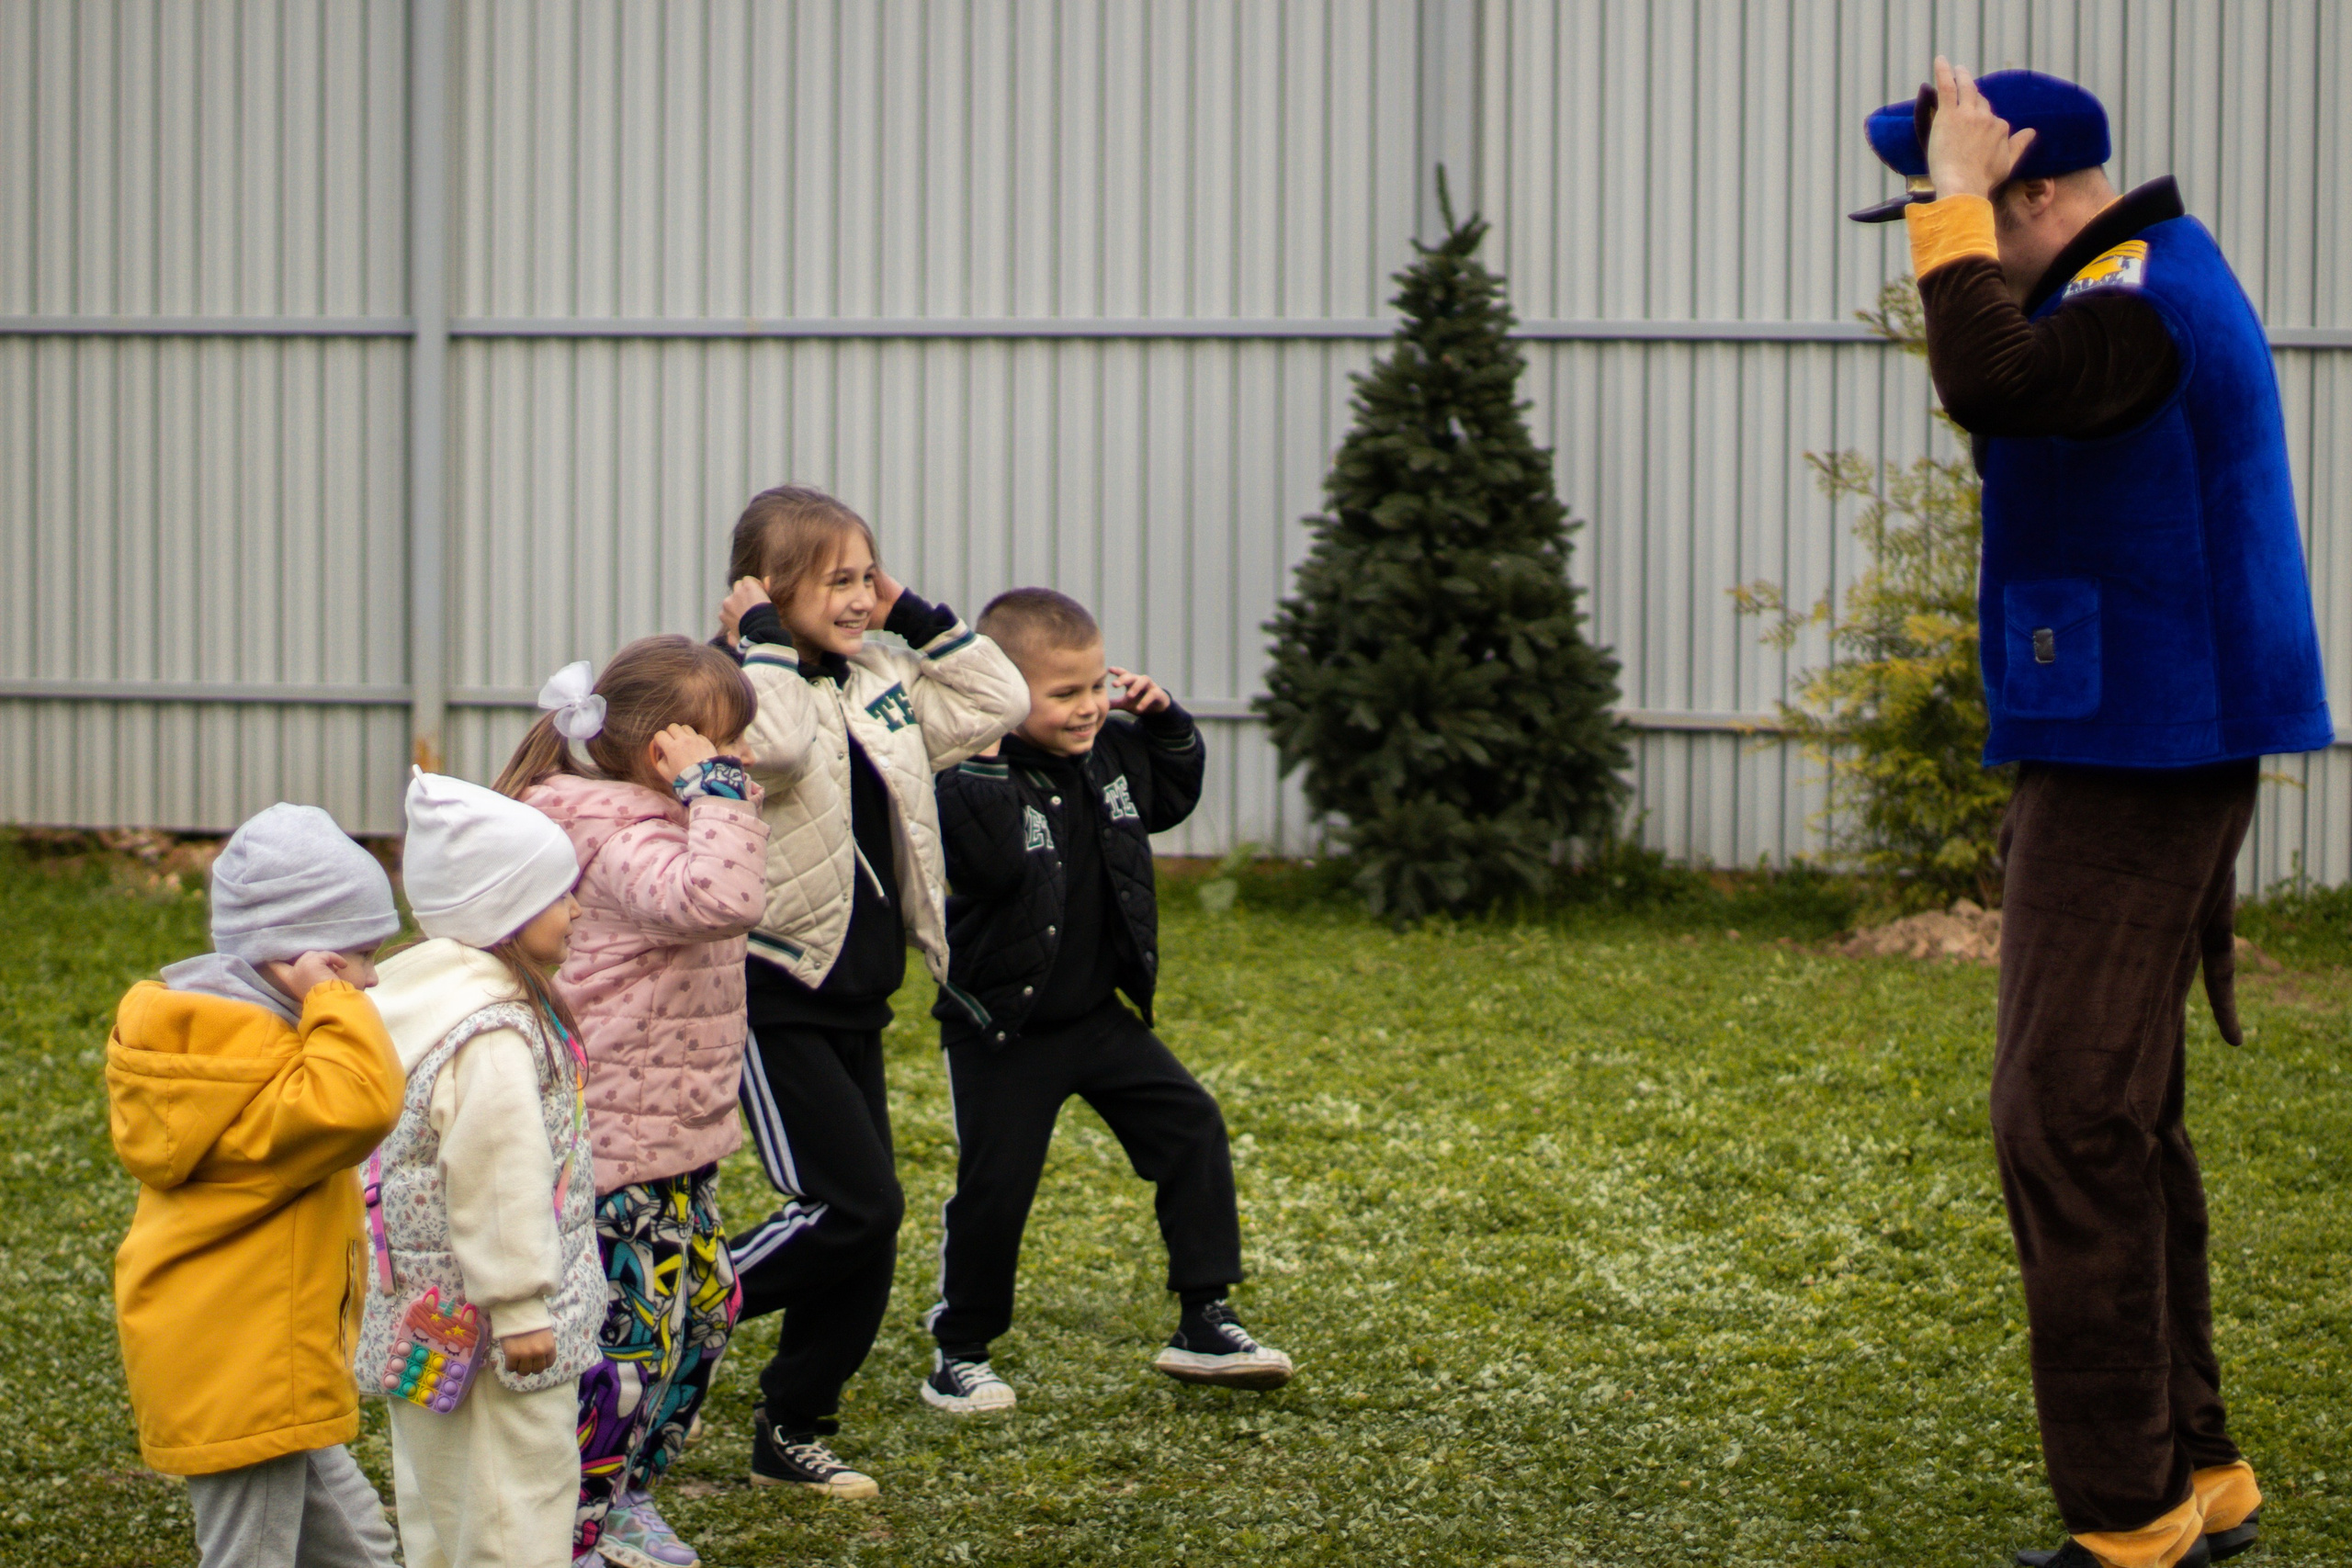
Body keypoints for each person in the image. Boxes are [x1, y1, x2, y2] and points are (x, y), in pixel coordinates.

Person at [1853, 59, 2333, 1568]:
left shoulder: (2132, 301)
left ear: (2037, 193)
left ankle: (2131, 1521)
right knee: (2123, 1114)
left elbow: (1988, 379)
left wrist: (1955, 203)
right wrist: (1956, 202)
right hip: (2136, 734)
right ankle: (2202, 1473)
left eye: (1961, 214)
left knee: (2061, 1114)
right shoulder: (2134, 284)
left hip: (2146, 751)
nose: (1939, 245)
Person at [711, 485, 1029, 1496]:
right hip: (771, 983)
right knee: (848, 1207)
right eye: (834, 581)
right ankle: (666, 1306)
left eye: (865, 575)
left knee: (868, 1223)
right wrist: (761, 640)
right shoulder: (729, 685)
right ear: (764, 591)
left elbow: (998, 705)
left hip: (858, 988)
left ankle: (793, 1424)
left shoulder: (883, 673)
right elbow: (774, 747)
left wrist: (915, 617)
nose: (857, 598)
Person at [918, 588, 1293, 1416]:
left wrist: (1167, 726)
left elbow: (1169, 798)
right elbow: (985, 865)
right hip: (1003, 1030)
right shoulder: (976, 772)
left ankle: (1205, 1316)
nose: (1089, 707)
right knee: (997, 1186)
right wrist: (979, 752)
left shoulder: (1113, 752)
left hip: (1098, 1017)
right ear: (1005, 696)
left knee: (1189, 1123)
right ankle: (960, 1350)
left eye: (1096, 685)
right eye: (1064, 694)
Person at [497, 639, 770, 1568]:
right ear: (669, 750)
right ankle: (579, 1516)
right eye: (723, 742)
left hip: (676, 1138)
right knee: (627, 1349)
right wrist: (718, 796)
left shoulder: (666, 819)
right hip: (617, 1141)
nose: (739, 760)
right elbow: (718, 897)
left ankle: (631, 1493)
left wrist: (712, 797)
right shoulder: (618, 833)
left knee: (706, 1312)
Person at [107, 803, 404, 1568]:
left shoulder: (216, 1042)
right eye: (357, 957)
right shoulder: (263, 1066)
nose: (370, 978)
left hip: (250, 1363)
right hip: (248, 1372)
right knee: (251, 1555)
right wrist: (334, 1001)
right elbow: (360, 1103)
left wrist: (327, 991)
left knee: (358, 1542)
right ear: (295, 959)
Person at [362, 770, 607, 1568]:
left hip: (425, 1317)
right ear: (500, 909)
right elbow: (498, 1182)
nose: (576, 910)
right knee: (518, 1500)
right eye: (558, 894)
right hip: (503, 1336)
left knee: (439, 1495)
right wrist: (520, 1307)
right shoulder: (494, 1035)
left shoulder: (418, 1001)